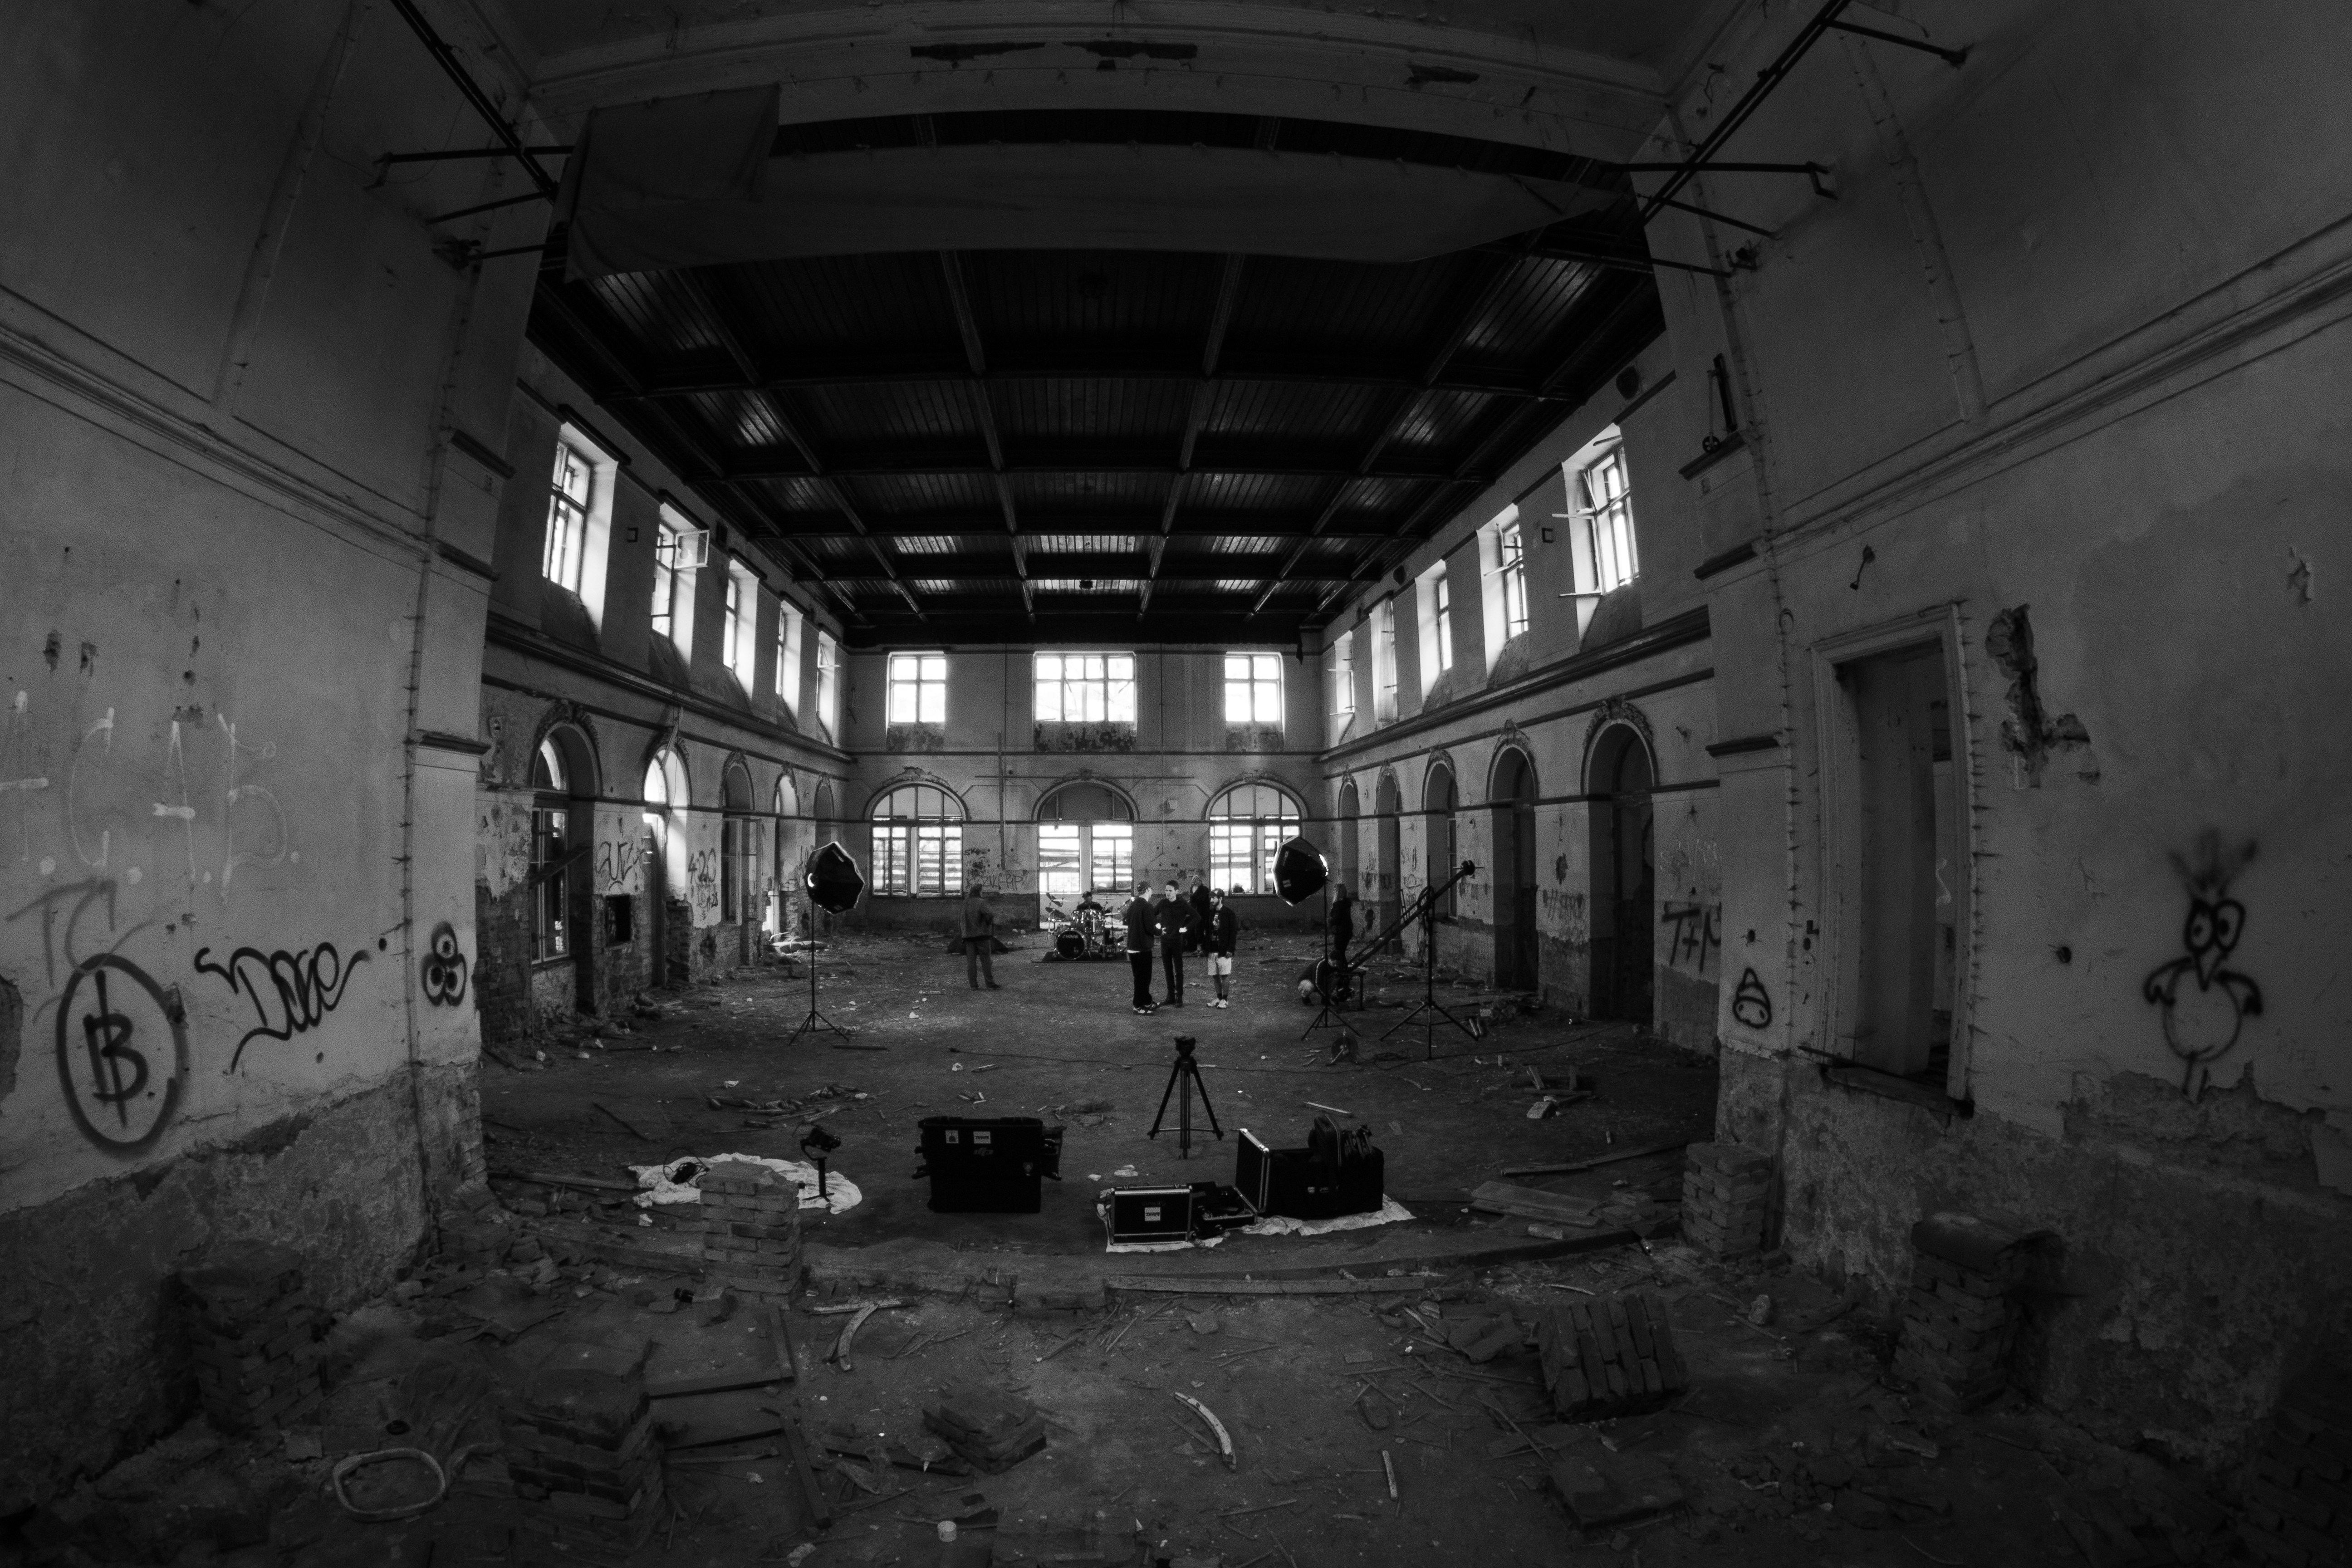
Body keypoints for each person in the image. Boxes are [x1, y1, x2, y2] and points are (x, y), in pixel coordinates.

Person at [1122, 881, 1157, 1014]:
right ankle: (1138, 1006)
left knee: (1142, 977)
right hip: (1142, 948)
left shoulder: (1133, 905)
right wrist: (1160, 931)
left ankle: (1147, 1001)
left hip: (1133, 946)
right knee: (1143, 978)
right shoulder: (1147, 906)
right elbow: (1150, 927)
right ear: (1149, 889)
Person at [1156, 878, 1191, 1006]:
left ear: (1177, 891)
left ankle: (1179, 997)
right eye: (1166, 890)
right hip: (1165, 941)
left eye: (1170, 891)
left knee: (1178, 970)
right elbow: (1152, 915)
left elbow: (1196, 917)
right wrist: (1157, 925)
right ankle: (1170, 996)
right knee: (1168, 970)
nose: (1168, 893)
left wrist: (1186, 928)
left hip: (1177, 941)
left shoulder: (1182, 904)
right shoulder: (1163, 903)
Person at [960, 883, 1000, 990]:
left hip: (968, 936)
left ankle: (973, 985)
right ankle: (990, 984)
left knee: (971, 962)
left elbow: (962, 920)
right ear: (979, 892)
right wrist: (987, 923)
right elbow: (991, 913)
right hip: (982, 936)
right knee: (986, 960)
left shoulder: (965, 903)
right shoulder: (981, 903)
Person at [1205, 887, 1240, 1009]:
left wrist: (1231, 949)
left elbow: (1233, 932)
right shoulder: (1210, 913)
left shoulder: (1229, 913)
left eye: (1214, 898)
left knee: (1225, 975)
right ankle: (1219, 998)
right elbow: (1208, 931)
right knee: (1215, 975)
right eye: (1211, 898)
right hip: (1212, 949)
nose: (1212, 900)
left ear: (1220, 898)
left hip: (1224, 950)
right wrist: (1206, 948)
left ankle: (1225, 1000)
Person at [1329, 880, 1357, 966]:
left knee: (1339, 953)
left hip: (1341, 931)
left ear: (1337, 893)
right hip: (1347, 931)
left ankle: (1343, 971)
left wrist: (1330, 921)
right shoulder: (1346, 903)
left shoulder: (1338, 905)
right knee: (1342, 952)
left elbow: (1337, 918)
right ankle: (1344, 971)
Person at [1187, 876, 1214, 954]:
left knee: (1202, 930)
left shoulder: (1205, 889)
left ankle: (1203, 948)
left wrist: (1193, 897)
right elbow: (1192, 899)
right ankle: (1198, 948)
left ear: (1199, 881)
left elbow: (1202, 900)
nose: (1194, 884)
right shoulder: (1192, 887)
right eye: (1193, 883)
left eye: (1195, 882)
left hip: (1203, 913)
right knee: (1196, 930)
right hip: (1195, 912)